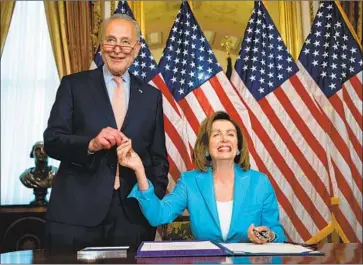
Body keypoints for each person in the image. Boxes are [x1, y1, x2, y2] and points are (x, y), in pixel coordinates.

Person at [43, 14, 169, 251]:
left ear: (137, 49)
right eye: (110, 40)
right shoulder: (73, 85)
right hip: (76, 216)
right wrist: (91, 144)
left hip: (132, 219)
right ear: (101, 45)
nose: (117, 49)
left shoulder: (152, 97)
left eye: (125, 42)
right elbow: (52, 141)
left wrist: (152, 199)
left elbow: (158, 158)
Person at [119, 111, 286, 243]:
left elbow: (276, 232)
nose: (224, 139)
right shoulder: (189, 181)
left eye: (230, 134)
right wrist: (139, 170)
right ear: (206, 147)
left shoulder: (260, 182)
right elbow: (158, 216)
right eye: (216, 135)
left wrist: (267, 235)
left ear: (238, 147)